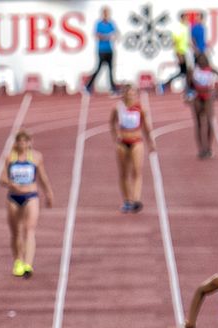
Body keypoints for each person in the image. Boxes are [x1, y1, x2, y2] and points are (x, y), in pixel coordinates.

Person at [0, 129, 54, 279]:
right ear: (16, 142)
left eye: (25, 141)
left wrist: (48, 193)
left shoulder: (36, 157)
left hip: (31, 196)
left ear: (30, 142)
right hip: (14, 197)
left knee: (29, 230)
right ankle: (19, 261)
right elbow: (2, 178)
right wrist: (11, 183)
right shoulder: (10, 157)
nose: (22, 144)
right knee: (16, 231)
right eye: (20, 141)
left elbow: (42, 176)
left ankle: (28, 264)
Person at [110, 84, 155, 213]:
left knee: (137, 171)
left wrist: (151, 142)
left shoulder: (140, 109)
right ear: (124, 94)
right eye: (128, 93)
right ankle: (127, 200)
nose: (131, 96)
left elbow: (146, 127)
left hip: (136, 141)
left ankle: (135, 199)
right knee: (124, 172)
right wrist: (115, 137)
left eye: (133, 93)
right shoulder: (117, 108)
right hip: (122, 142)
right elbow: (111, 123)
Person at [186, 52, 218, 159]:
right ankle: (201, 149)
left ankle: (208, 147)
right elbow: (188, 85)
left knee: (209, 122)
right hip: (197, 97)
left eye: (203, 59)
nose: (202, 61)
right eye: (200, 59)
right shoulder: (193, 70)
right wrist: (187, 96)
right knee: (199, 123)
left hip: (208, 97)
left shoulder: (211, 70)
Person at [85, 6, 118, 93]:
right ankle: (88, 85)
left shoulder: (111, 23)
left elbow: (115, 34)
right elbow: (97, 35)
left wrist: (110, 36)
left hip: (109, 49)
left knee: (111, 69)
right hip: (101, 50)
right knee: (99, 68)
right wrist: (107, 36)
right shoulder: (99, 24)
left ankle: (112, 87)